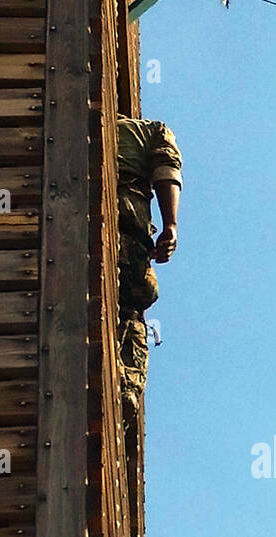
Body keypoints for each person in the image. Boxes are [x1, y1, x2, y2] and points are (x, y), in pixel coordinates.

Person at [116, 116, 183, 417]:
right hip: (127, 220)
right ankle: (125, 391)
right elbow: (166, 170)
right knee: (134, 301)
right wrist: (170, 224)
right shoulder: (146, 131)